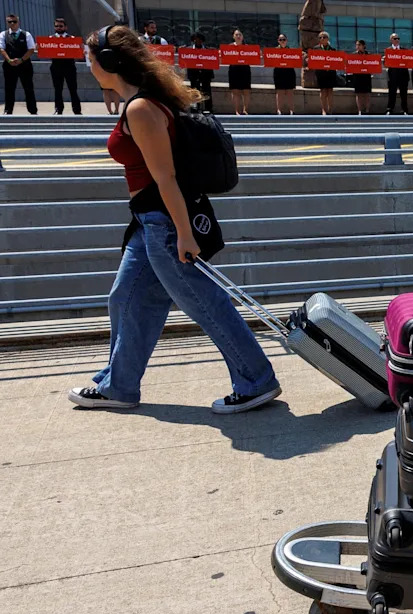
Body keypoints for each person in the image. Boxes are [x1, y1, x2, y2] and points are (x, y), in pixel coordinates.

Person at [71, 24, 280, 414]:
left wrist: (184, 234)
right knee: (125, 298)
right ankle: (119, 385)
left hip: (165, 223)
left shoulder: (141, 108)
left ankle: (256, 380)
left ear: (110, 62)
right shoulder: (142, 101)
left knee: (204, 302)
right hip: (149, 219)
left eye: (90, 56)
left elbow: (165, 177)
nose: (87, 62)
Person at [0, 14, 37, 115]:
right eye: (10, 22)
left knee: (28, 88)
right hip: (9, 66)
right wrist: (9, 60)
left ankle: (32, 110)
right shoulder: (3, 34)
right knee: (9, 89)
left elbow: (31, 49)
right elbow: (1, 49)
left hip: (24, 65)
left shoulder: (26, 34)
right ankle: (8, 110)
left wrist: (21, 60)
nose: (12, 24)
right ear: (7, 23)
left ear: (18, 22)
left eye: (14, 21)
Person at [48, 17, 80, 115]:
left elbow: (78, 51)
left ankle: (77, 110)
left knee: (73, 89)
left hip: (69, 67)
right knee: (58, 89)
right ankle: (58, 109)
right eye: (56, 26)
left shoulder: (72, 38)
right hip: (56, 67)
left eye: (61, 26)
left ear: (65, 27)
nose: (59, 28)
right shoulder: (50, 38)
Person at [310, 31, 337, 115]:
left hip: (330, 73)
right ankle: (324, 109)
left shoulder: (332, 50)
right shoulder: (315, 49)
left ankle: (330, 109)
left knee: (330, 91)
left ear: (328, 39)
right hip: (321, 73)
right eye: (320, 37)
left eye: (324, 37)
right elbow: (313, 61)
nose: (322, 39)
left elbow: (336, 61)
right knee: (323, 91)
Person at [187, 32, 214, 114]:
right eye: (195, 39)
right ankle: (194, 108)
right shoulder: (188, 50)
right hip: (194, 74)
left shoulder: (208, 50)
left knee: (207, 91)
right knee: (194, 91)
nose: (197, 41)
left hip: (206, 74)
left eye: (199, 39)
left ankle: (208, 108)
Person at [227, 29, 251, 115]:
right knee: (235, 91)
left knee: (246, 91)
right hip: (234, 70)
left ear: (242, 36)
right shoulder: (229, 47)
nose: (238, 36)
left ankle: (245, 110)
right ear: (233, 36)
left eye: (240, 35)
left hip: (245, 70)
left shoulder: (247, 47)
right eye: (236, 35)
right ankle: (237, 110)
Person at [271, 34, 296, 115]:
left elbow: (296, 60)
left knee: (290, 92)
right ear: (278, 41)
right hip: (279, 72)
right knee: (279, 92)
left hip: (289, 72)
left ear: (286, 40)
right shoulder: (274, 50)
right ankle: (279, 110)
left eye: (284, 39)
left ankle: (292, 110)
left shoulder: (291, 50)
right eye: (280, 40)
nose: (282, 41)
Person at [385, 33, 409, 115]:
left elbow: (408, 61)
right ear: (391, 40)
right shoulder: (388, 50)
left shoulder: (404, 50)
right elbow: (385, 63)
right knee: (392, 93)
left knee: (404, 94)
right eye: (395, 39)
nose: (397, 40)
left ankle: (405, 109)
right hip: (392, 76)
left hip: (403, 75)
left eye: (398, 38)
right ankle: (390, 109)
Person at [347, 40, 371, 115]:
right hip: (357, 76)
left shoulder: (368, 54)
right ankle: (360, 110)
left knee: (367, 94)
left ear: (363, 45)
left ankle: (367, 110)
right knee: (358, 94)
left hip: (366, 76)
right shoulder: (353, 55)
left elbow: (373, 64)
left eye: (359, 45)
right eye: (356, 45)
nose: (357, 46)